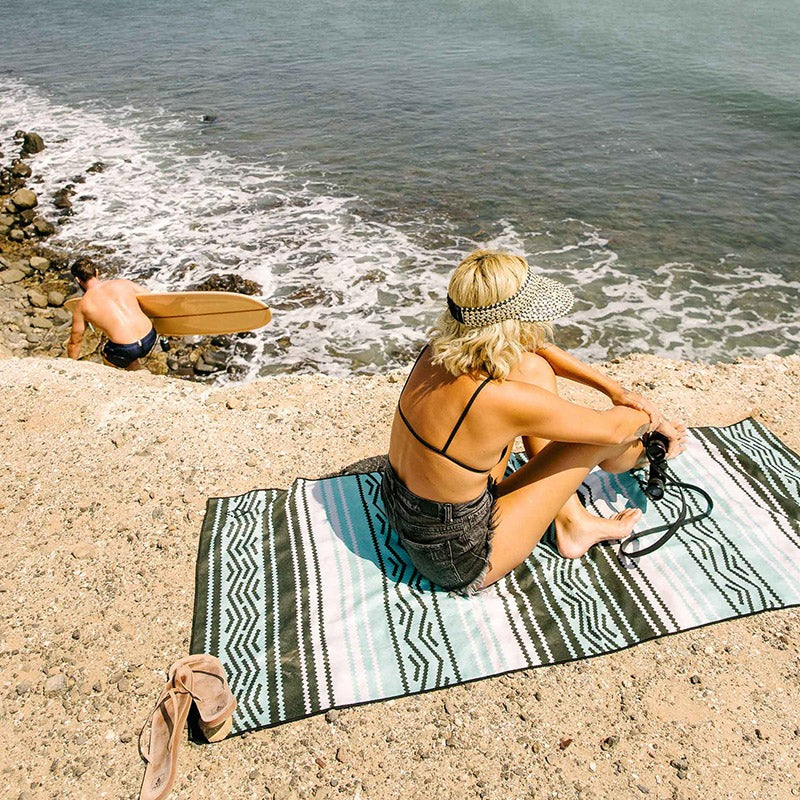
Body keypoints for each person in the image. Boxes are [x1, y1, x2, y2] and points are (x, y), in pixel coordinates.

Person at [382, 250, 687, 596]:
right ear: (512, 323)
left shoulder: (436, 351)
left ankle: (571, 520)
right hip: (456, 558)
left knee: (533, 368)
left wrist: (615, 390)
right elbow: (614, 430)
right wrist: (653, 422)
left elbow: (536, 350)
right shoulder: (498, 400)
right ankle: (644, 458)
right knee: (594, 441)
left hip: (402, 507)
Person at [67, 259, 157, 370]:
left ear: (77, 279)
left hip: (127, 350)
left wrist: (71, 366)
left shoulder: (82, 306)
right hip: (150, 337)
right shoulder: (123, 283)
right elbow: (152, 299)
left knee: (108, 356)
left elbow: (75, 342)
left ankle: (135, 373)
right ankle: (138, 371)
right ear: (96, 272)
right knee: (128, 352)